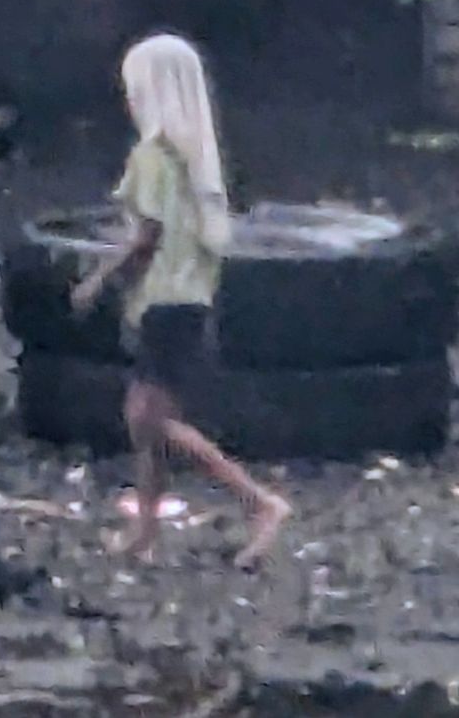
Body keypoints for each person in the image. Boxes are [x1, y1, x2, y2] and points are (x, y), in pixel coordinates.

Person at [69, 34, 291, 568]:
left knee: (150, 420)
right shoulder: (196, 160)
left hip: (164, 299)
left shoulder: (151, 156)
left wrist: (97, 280)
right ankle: (145, 529)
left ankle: (259, 502)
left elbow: (145, 235)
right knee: (149, 421)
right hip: (192, 296)